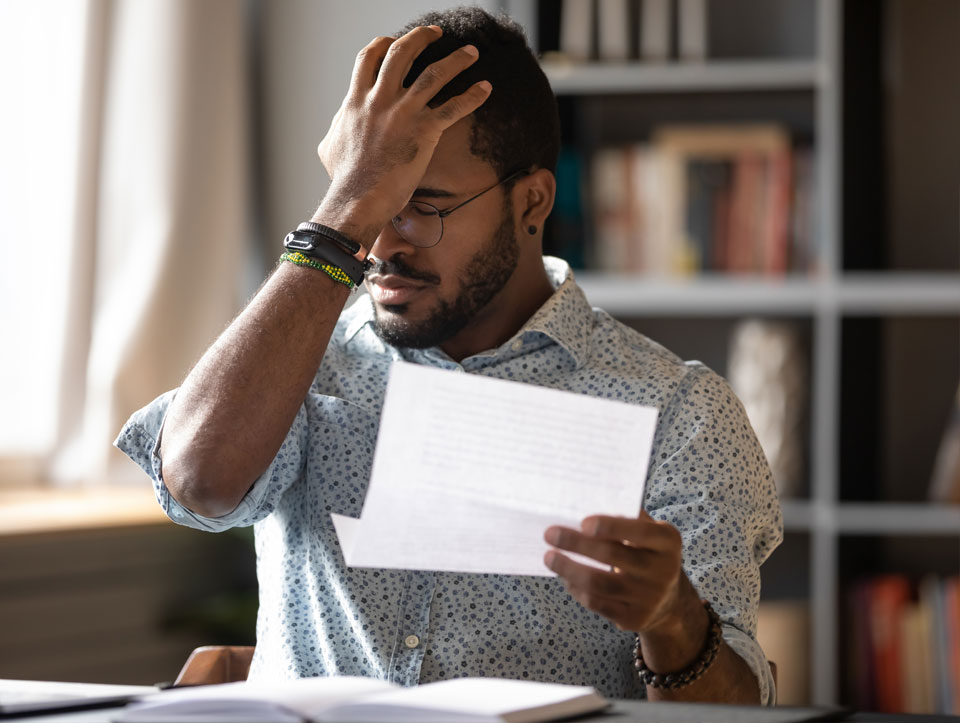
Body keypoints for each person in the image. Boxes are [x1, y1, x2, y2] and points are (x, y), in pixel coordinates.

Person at [116, 6, 782, 706]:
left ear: (532, 203)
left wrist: (674, 620)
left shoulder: (678, 413)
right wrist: (344, 210)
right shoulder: (300, 367)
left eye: (422, 206)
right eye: (370, 203)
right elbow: (199, 482)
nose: (381, 246)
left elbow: (735, 717)